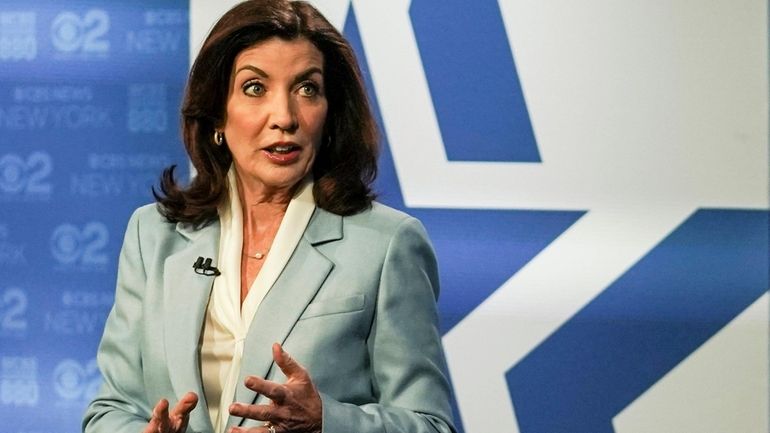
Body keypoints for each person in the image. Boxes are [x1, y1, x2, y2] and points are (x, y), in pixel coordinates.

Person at [82, 1, 456, 433]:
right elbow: (110, 411)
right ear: (218, 114)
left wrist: (325, 421)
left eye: (307, 89)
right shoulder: (154, 235)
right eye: (255, 88)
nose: (284, 118)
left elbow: (430, 424)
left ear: (330, 115)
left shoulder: (387, 244)